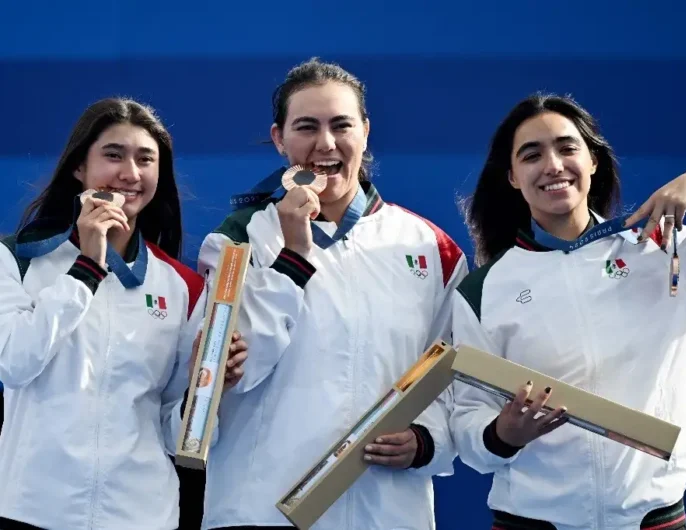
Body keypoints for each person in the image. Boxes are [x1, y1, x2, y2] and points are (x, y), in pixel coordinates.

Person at [191, 57, 468, 529]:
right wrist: (293, 257)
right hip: (261, 508)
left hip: (387, 511)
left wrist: (427, 439)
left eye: (341, 125)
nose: (326, 144)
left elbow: (453, 378)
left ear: (365, 131)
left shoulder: (431, 248)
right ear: (279, 138)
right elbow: (232, 373)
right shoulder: (238, 240)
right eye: (306, 127)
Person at [449, 92, 686, 530]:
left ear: (593, 160)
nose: (553, 165)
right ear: (513, 178)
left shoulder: (666, 252)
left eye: (567, 147)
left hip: (653, 519)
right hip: (531, 521)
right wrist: (502, 434)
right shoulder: (482, 291)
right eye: (532, 154)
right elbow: (466, 422)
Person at [0, 97, 248, 530]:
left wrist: (207, 390)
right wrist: (88, 268)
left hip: (141, 515)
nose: (129, 174)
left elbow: (176, 434)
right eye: (113, 155)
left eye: (145, 160)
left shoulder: (182, 287)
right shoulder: (17, 260)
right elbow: (16, 363)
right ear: (80, 167)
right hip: (33, 510)